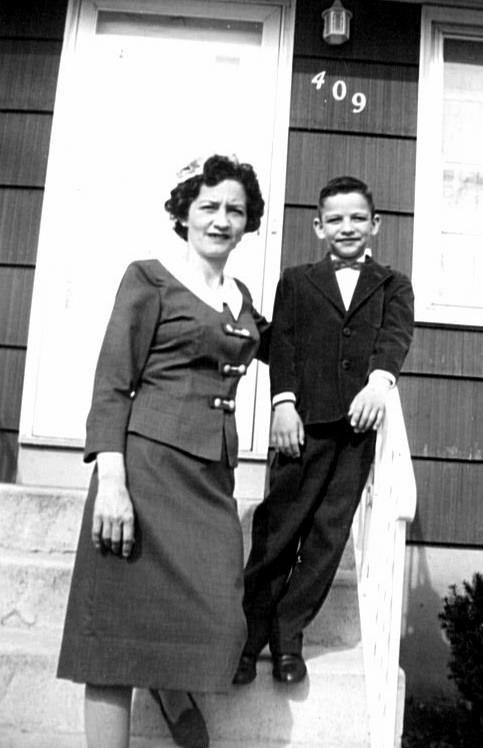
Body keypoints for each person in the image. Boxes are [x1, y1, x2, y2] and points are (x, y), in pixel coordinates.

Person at [57, 154, 270, 748]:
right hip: (144, 471)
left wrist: (288, 399)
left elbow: (278, 348)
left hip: (208, 480)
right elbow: (113, 381)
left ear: (248, 223)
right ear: (184, 213)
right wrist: (112, 483)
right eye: (209, 206)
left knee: (221, 616)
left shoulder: (240, 297)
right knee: (112, 637)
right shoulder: (149, 279)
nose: (221, 220)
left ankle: (167, 684)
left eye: (235, 210)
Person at [233, 175, 414, 687]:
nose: (346, 227)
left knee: (326, 537)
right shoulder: (296, 281)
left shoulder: (393, 285)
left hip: (355, 430)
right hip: (302, 426)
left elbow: (395, 336)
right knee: (279, 530)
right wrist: (283, 404)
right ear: (317, 226)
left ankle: (288, 637)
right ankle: (248, 636)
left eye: (357, 218)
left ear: (375, 224)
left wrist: (379, 384)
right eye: (335, 219)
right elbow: (284, 346)